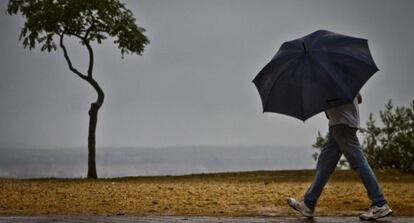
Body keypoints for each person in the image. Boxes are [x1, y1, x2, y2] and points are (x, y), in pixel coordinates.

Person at [287, 93, 393, 221]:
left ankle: (379, 203)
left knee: (359, 163)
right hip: (339, 124)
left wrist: (326, 103)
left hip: (342, 124)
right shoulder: (343, 77)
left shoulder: (327, 83)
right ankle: (308, 204)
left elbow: (329, 111)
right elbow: (359, 98)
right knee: (324, 165)